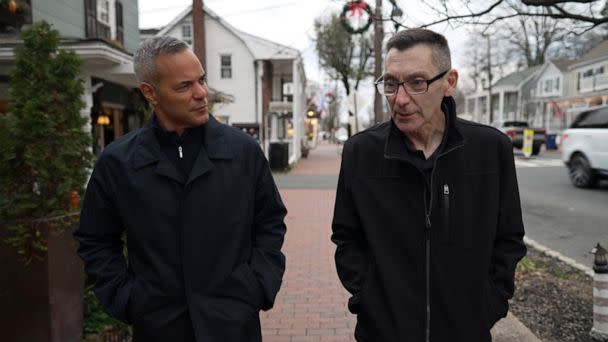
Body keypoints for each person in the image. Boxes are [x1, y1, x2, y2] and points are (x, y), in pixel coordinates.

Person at [74, 36, 287, 342]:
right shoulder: (119, 163)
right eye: (184, 86)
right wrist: (127, 300)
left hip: (233, 326)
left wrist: (257, 286)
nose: (201, 93)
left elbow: (270, 222)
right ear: (150, 92)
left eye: (202, 80)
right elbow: (95, 240)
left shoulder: (244, 152)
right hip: (158, 329)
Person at [331, 28, 526, 341]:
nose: (401, 99)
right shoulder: (361, 153)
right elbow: (346, 236)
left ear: (449, 83)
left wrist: (489, 303)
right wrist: (368, 297)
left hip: (466, 331)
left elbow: (509, 238)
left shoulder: (491, 150)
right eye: (391, 84)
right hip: (383, 331)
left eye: (417, 82)